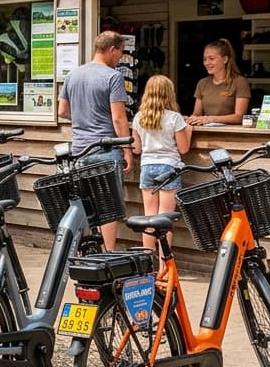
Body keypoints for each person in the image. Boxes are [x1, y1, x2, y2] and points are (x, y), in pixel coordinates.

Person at [58, 30, 133, 251]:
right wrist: (127, 149)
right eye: (120, 53)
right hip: (106, 150)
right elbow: (119, 118)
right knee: (108, 205)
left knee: (87, 204)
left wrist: (83, 116)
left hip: (80, 150)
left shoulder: (74, 75)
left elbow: (62, 110)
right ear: (112, 50)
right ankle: (108, 253)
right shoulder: (113, 76)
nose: (120, 58)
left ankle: (89, 250)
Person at [131, 75, 192, 253]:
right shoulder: (175, 118)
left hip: (147, 166)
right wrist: (189, 130)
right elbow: (184, 148)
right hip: (169, 167)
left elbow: (136, 149)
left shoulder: (139, 118)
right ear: (169, 94)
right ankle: (164, 266)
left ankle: (146, 261)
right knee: (164, 219)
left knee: (149, 217)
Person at [186, 38, 251, 126]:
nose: (207, 63)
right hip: (205, 135)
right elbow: (197, 114)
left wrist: (210, 119)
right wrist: (188, 118)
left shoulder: (240, 82)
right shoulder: (202, 83)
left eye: (211, 59)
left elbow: (239, 117)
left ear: (225, 59)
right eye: (205, 59)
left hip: (232, 135)